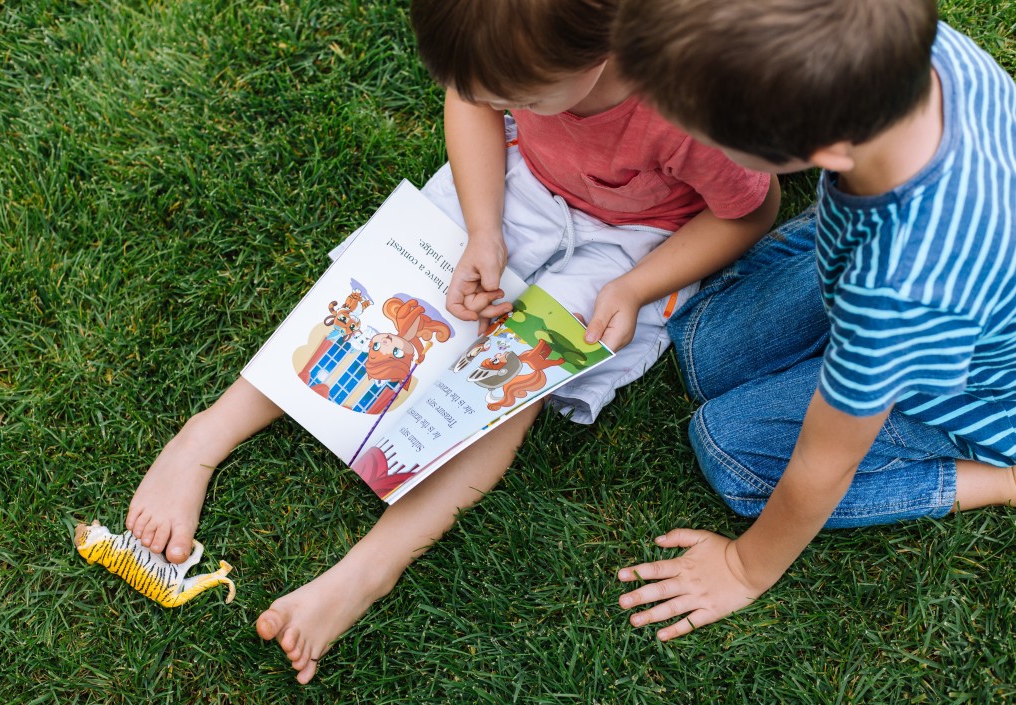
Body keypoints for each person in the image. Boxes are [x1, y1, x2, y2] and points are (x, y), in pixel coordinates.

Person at [125, 0, 778, 683]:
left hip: (641, 242)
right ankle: (206, 435)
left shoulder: (694, 103)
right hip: (518, 180)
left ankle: (369, 569)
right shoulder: (513, 57)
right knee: (384, 288)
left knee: (518, 374)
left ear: (600, 54)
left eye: (514, 96)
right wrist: (483, 227)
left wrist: (638, 287)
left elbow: (749, 212)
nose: (493, 100)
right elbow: (471, 104)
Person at [611, 0, 1016, 642]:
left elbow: (824, 464)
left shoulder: (902, 289)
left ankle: (998, 479)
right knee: (699, 343)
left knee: (729, 448)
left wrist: (744, 569)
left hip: (962, 383)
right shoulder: (911, 51)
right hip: (881, 268)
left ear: (826, 148)